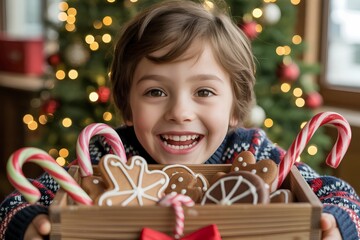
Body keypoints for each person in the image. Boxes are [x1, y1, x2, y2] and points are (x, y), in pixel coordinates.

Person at [1, 0, 359, 239]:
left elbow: (339, 195)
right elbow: (17, 202)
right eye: (155, 92)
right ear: (127, 104)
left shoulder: (253, 153)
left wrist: (335, 222)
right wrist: (27, 222)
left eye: (204, 92)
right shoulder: (108, 156)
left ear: (235, 108)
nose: (179, 112)